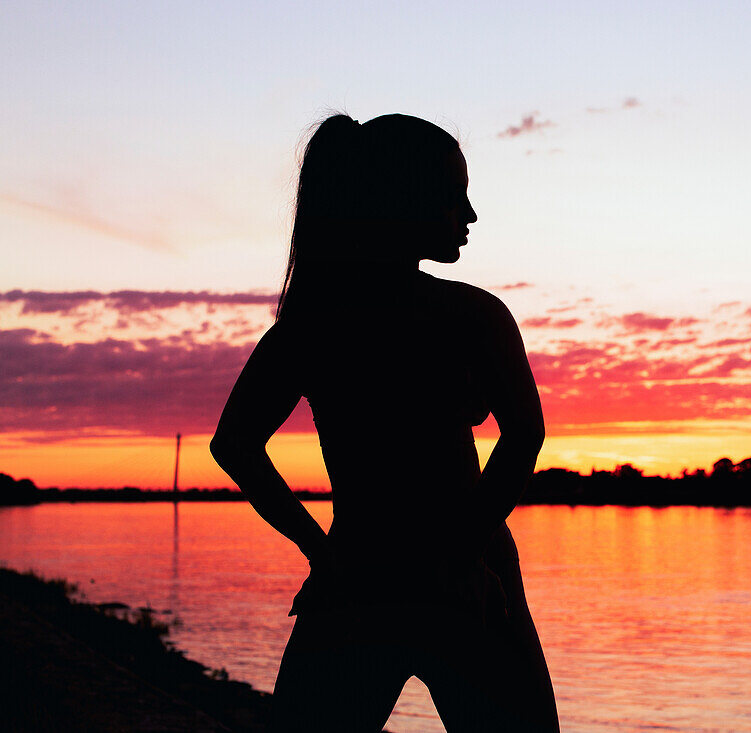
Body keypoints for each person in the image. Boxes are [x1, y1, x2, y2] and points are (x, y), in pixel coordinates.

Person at [210, 113, 559, 732]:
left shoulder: (314, 324)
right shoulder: (473, 315)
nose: (471, 215)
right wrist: (461, 554)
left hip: (360, 571)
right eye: (455, 195)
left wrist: (320, 551)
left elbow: (235, 443)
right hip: (467, 578)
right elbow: (523, 434)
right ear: (402, 199)